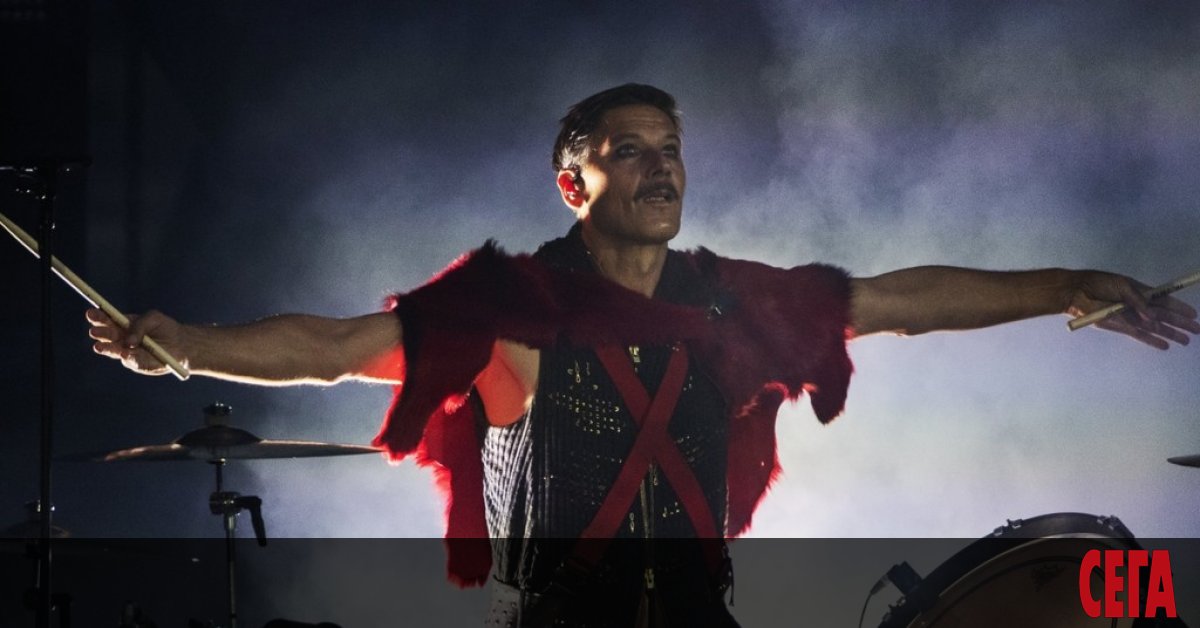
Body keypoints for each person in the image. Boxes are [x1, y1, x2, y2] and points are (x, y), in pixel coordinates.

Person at [88, 84, 1199, 627]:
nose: (662, 168)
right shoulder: (510, 307)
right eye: (629, 151)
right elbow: (338, 347)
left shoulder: (732, 301)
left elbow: (893, 302)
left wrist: (1067, 283)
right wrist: (190, 345)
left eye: (671, 149)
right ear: (572, 182)